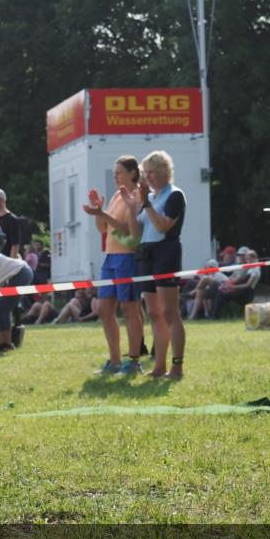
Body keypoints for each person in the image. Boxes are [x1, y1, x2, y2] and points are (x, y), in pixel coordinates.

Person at [120, 150, 187, 379]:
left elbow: (162, 226)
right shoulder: (150, 197)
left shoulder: (174, 195)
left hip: (166, 252)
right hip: (146, 254)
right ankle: (159, 366)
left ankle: (177, 366)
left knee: (169, 312)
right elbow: (136, 234)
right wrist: (132, 208)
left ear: (165, 172)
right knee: (154, 314)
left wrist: (146, 203)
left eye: (152, 172)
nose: (147, 177)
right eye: (145, 173)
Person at [82, 155, 145, 375]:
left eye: (119, 172)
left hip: (127, 257)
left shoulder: (138, 195)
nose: (115, 176)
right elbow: (103, 228)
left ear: (132, 173)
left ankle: (134, 361)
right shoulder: (118, 195)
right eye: (114, 172)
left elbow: (128, 229)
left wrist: (103, 214)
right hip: (110, 257)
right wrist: (98, 211)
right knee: (104, 309)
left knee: (129, 309)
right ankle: (115, 360)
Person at [0, 251, 34, 352]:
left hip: (21, 273)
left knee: (0, 309)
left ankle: (5, 344)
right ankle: (3, 342)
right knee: (0, 309)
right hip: (20, 273)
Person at [210, 249, 261, 319]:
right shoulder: (251, 268)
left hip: (246, 294)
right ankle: (214, 314)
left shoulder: (255, 271)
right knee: (220, 292)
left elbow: (247, 285)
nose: (248, 261)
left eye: (249, 259)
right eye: (247, 259)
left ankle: (215, 316)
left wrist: (232, 287)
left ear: (254, 258)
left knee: (222, 295)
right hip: (242, 291)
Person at [0, 188, 22, 258]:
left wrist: (11, 261)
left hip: (5, 260)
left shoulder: (12, 220)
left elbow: (15, 245)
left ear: (1, 200)